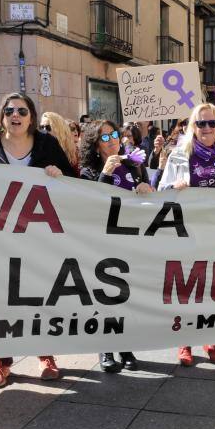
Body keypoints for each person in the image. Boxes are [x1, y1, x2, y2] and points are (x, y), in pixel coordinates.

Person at [0, 92, 77, 387]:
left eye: (23, 111)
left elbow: (72, 180)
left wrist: (58, 174)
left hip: (38, 236)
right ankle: (0, 362)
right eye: (10, 110)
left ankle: (45, 355)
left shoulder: (47, 144)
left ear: (31, 116)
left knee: (38, 295)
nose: (16, 115)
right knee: (0, 298)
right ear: (2, 115)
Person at [159, 102, 215, 366]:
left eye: (212, 123)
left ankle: (212, 340)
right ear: (192, 127)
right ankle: (184, 342)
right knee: (187, 287)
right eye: (201, 123)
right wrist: (174, 186)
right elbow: (161, 189)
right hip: (186, 230)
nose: (207, 128)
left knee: (213, 287)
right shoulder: (178, 154)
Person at [79, 120, 153, 372]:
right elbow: (90, 202)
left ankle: (126, 347)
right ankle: (105, 349)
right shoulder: (88, 170)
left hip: (129, 241)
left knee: (126, 296)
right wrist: (106, 174)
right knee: (105, 295)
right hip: (102, 242)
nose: (111, 140)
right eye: (104, 137)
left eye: (113, 134)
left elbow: (147, 196)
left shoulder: (133, 164)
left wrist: (146, 188)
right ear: (95, 145)